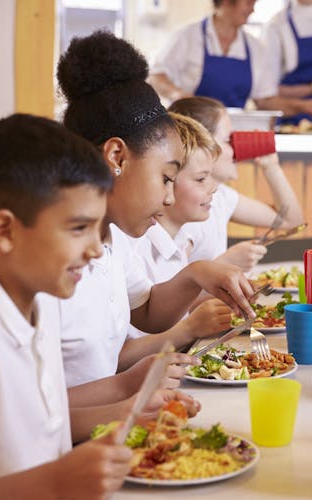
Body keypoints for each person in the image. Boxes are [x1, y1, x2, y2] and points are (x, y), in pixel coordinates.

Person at [0, 114, 198, 497]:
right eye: (78, 228)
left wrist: (125, 403)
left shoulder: (37, 305)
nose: (97, 249)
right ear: (5, 231)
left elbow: (35, 425)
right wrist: (55, 482)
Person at [56, 30, 255, 388]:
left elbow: (146, 311)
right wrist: (130, 388)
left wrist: (197, 273)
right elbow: (41, 408)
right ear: (117, 157)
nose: (168, 197)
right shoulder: (56, 265)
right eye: (166, 178)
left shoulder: (113, 237)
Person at [127, 112, 233, 342]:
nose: (213, 188)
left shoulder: (179, 242)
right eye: (201, 179)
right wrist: (191, 327)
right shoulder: (136, 248)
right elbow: (122, 353)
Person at [169, 96, 305, 271]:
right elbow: (168, 294)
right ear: (202, 144)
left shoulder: (220, 197)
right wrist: (226, 264)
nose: (237, 148)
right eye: (228, 140)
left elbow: (290, 220)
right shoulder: (185, 214)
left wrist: (271, 167)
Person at [148, 0, 312, 119]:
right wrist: (176, 93)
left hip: (231, 136)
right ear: (226, 2)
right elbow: (156, 77)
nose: (253, 9)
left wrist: (301, 106)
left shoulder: (255, 48)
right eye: (248, 2)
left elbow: (265, 101)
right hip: (189, 133)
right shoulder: (187, 37)